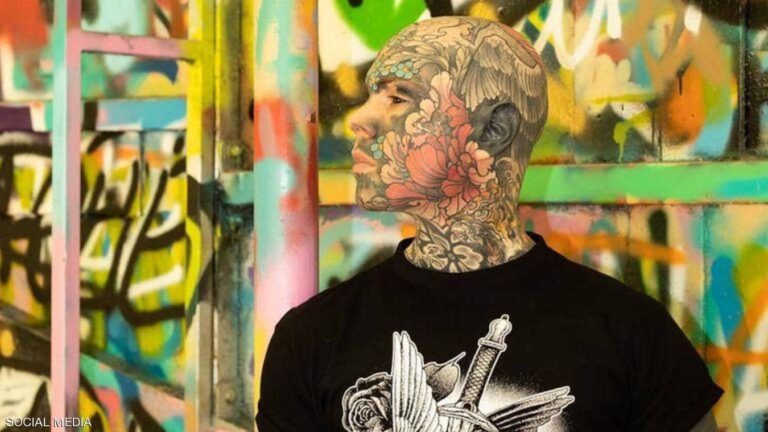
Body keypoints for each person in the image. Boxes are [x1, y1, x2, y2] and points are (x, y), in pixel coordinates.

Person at [256, 16, 722, 432]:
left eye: (398, 97)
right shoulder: (310, 338)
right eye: (371, 95)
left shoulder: (630, 334)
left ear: (495, 129)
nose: (359, 120)